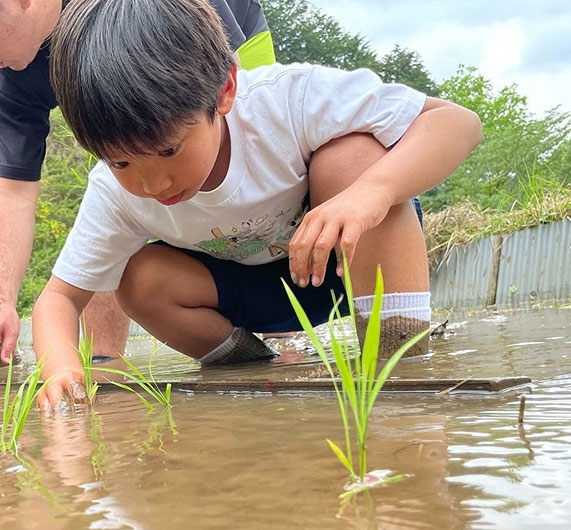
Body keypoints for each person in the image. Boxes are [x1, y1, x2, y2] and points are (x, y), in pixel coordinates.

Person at [30, 0, 482, 407]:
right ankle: (251, 365)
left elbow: (457, 123)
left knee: (353, 156)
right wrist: (62, 367)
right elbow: (59, 299)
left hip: (346, 265)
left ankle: (398, 357)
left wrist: (370, 195)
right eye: (121, 162)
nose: (152, 183)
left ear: (225, 88)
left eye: (169, 150)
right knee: (138, 279)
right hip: (255, 294)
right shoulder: (114, 194)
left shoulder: (287, 99)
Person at [0, 0, 281, 381]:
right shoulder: (11, 76)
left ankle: (289, 319)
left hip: (227, 43)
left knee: (247, 173)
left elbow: (228, 96)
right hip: (126, 118)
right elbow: (12, 190)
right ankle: (105, 365)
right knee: (119, 193)